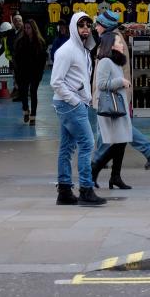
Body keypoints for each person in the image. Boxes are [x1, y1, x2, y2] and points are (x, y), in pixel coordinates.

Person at [91, 10, 150, 170]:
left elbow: (113, 69)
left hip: (113, 91)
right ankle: (101, 158)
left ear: (105, 26)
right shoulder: (110, 38)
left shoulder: (113, 40)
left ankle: (99, 160)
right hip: (113, 90)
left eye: (98, 24)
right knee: (111, 125)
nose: (96, 27)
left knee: (114, 126)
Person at [50, 11, 106, 206]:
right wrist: (74, 100)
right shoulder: (67, 51)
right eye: (81, 25)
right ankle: (86, 189)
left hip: (71, 103)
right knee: (87, 143)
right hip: (70, 104)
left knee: (66, 147)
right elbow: (56, 82)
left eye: (87, 26)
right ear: (74, 27)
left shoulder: (82, 50)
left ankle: (64, 191)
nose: (85, 29)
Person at [91, 32, 133, 190]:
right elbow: (101, 84)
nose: (122, 45)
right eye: (118, 42)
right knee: (118, 143)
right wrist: (120, 81)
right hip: (111, 108)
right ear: (110, 45)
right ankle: (94, 170)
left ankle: (115, 176)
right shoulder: (105, 62)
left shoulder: (116, 62)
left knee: (121, 142)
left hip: (119, 107)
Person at [13, 19, 47, 125]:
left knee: (33, 92)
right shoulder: (20, 42)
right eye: (25, 28)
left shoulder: (40, 43)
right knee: (23, 92)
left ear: (33, 29)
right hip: (23, 72)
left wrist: (40, 73)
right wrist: (17, 71)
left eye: (29, 28)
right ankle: (25, 110)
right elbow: (16, 58)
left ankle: (33, 116)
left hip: (35, 73)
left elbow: (42, 60)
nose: (27, 30)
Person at [10, 14, 25, 101]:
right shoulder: (13, 32)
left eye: (19, 20)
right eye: (16, 21)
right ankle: (20, 94)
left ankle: (22, 95)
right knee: (17, 77)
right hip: (15, 58)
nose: (18, 22)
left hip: (22, 59)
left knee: (21, 78)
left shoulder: (24, 32)